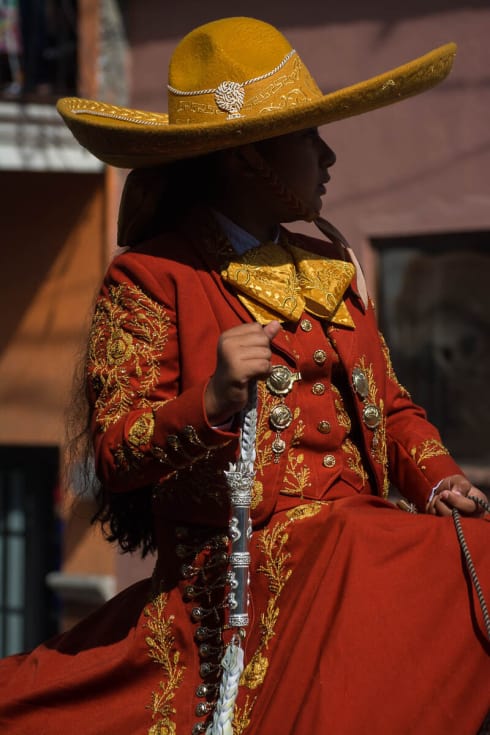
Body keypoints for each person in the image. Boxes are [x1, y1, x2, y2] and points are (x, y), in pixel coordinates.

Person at [0, 16, 488, 735]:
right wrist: (214, 400)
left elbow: (394, 404)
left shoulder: (331, 271)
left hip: (360, 548)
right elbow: (114, 449)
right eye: (306, 138)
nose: (328, 157)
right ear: (247, 157)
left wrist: (439, 477)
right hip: (240, 575)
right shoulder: (151, 275)